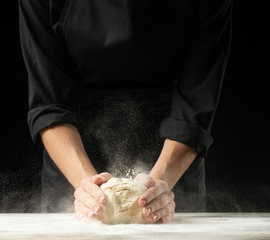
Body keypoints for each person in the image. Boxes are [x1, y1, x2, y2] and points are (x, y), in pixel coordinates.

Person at [18, 0, 232, 223]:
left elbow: (196, 99)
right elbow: (49, 102)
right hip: (74, 157)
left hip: (173, 156)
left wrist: (155, 188)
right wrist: (90, 188)